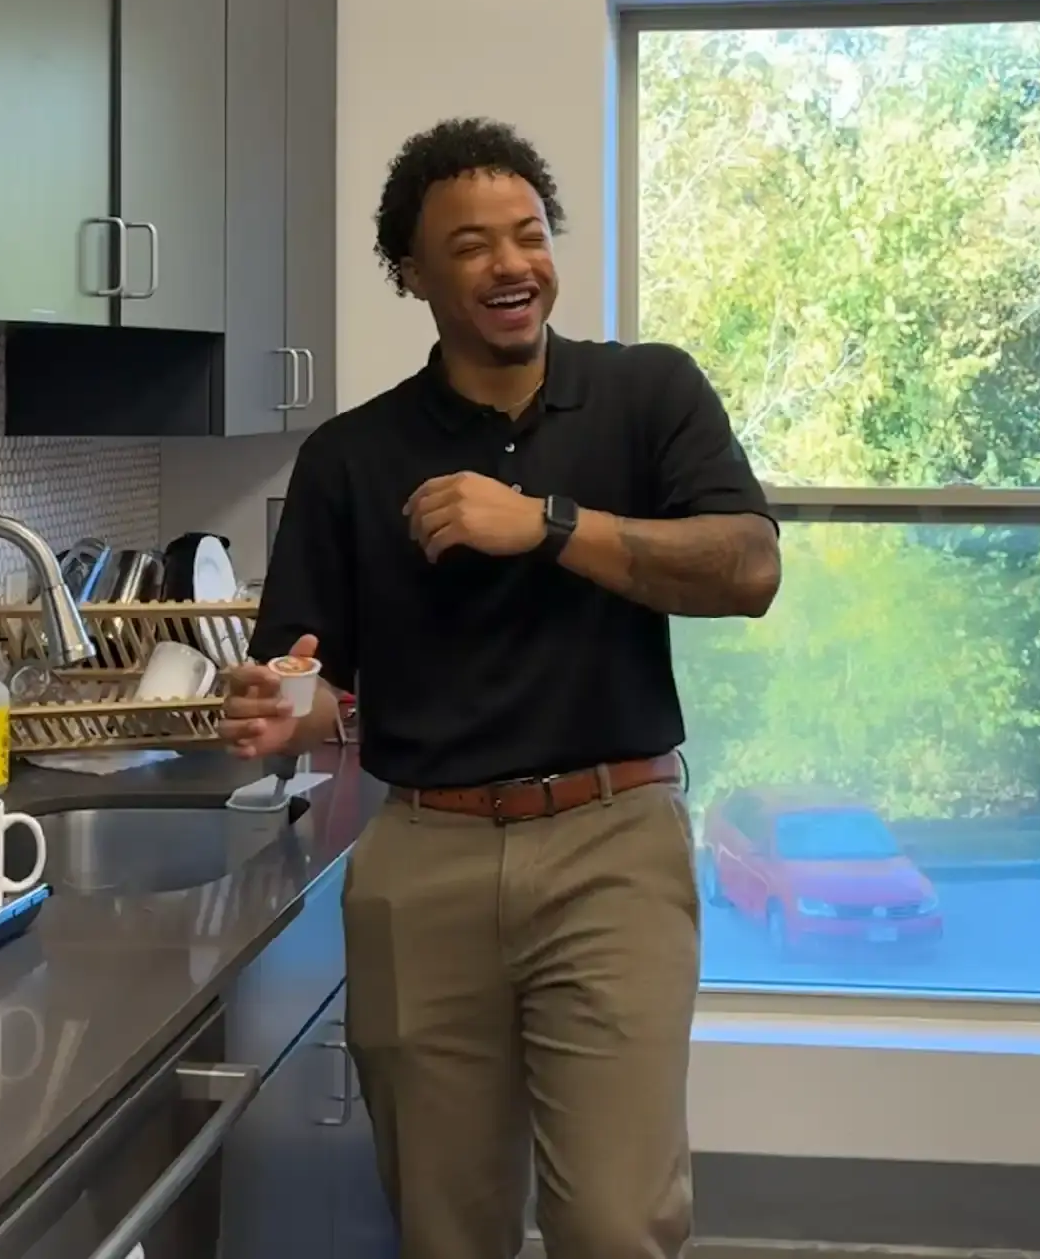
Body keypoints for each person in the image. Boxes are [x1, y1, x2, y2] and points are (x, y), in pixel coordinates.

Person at [219, 117, 781, 1259]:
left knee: (614, 1223)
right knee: (446, 1227)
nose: (510, 263)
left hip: (613, 841)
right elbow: (317, 683)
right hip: (424, 854)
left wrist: (547, 523)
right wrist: (285, 706)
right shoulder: (350, 456)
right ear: (412, 273)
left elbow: (748, 568)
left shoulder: (648, 392)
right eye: (470, 245)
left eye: (528, 234)